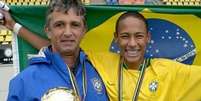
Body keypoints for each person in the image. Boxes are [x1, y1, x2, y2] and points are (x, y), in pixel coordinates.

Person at [1, 2, 201, 101]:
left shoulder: (170, 70)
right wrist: (14, 26)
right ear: (116, 39)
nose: (132, 43)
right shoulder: (99, 63)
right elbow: (59, 47)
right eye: (60, 25)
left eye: (138, 36)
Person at [5, 0, 109, 101]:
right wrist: (13, 25)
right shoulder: (23, 82)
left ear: (84, 30)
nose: (67, 33)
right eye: (59, 25)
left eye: (75, 25)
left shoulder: (102, 71)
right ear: (48, 31)